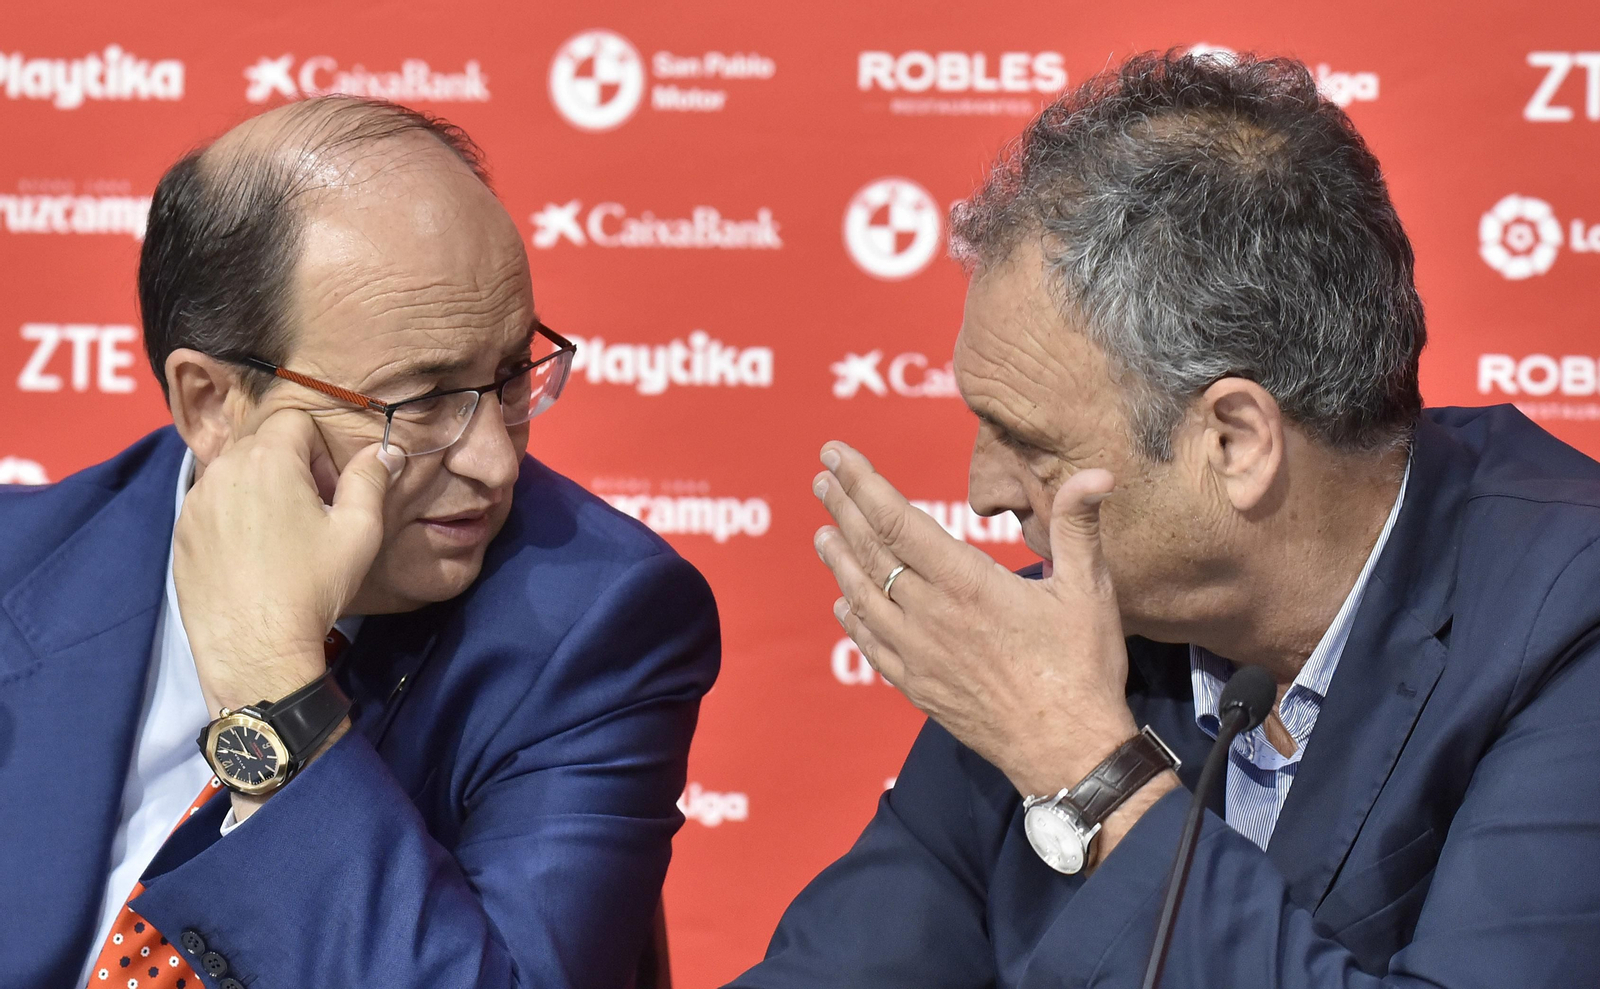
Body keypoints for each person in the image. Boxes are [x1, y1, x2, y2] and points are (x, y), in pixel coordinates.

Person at [734, 51, 1600, 987]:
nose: (984, 490)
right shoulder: (1078, 623)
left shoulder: (1570, 621)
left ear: (1233, 441)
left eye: (1030, 440)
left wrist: (1085, 765)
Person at [0, 96, 719, 989]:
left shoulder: (600, 624)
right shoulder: (17, 564)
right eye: (416, 402)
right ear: (212, 404)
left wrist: (277, 690)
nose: (494, 459)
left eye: (508, 377)